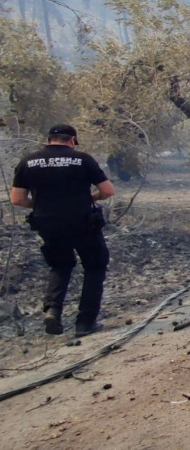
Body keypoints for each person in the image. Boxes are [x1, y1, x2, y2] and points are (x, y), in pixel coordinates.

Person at [11, 124, 115, 337]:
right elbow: (107, 190)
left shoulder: (28, 162)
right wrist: (91, 198)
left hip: (47, 223)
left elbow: (17, 199)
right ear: (72, 141)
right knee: (95, 266)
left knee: (61, 265)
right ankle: (85, 323)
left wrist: (41, 205)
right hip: (82, 221)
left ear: (49, 140)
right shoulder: (82, 159)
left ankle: (53, 310)